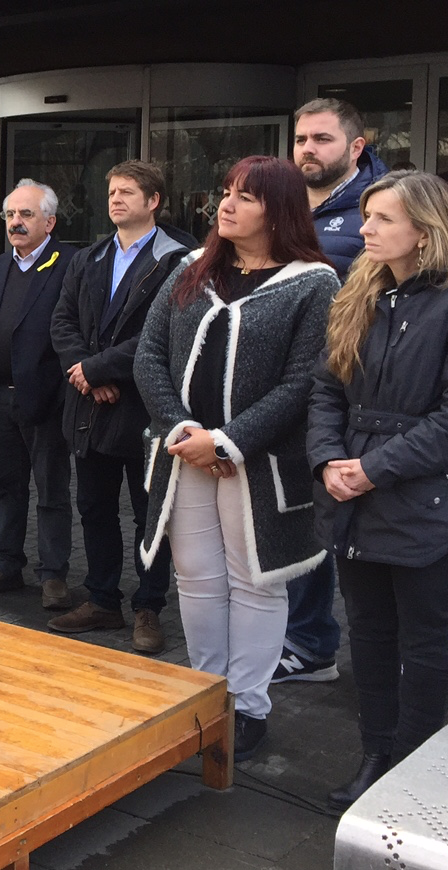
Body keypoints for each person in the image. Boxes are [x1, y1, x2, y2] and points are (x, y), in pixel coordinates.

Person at [135, 155, 339, 762]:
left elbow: (304, 383)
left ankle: (247, 707)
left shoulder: (313, 283)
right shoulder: (190, 268)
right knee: (196, 577)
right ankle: (204, 694)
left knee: (255, 581)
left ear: (279, 211)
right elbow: (149, 355)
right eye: (226, 192)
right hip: (184, 454)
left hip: (260, 463)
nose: (225, 204)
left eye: (245, 197)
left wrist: (226, 442)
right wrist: (184, 431)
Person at [309, 170, 448, 810]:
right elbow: (326, 389)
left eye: (382, 218)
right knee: (367, 634)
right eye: (366, 216)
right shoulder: (359, 294)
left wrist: (372, 468)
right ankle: (375, 756)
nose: (364, 229)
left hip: (422, 502)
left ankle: (416, 773)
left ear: (425, 230)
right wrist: (326, 461)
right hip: (353, 499)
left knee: (427, 643)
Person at [48, 160, 186, 654]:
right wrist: (87, 374)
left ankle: (149, 607)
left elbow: (163, 334)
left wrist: (99, 370)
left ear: (153, 201)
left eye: (127, 192)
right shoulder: (90, 257)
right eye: (111, 192)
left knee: (150, 515)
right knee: (94, 507)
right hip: (91, 406)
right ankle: (103, 599)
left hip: (146, 409)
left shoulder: (178, 260)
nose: (116, 199)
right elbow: (62, 321)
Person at [275, 97, 390, 685]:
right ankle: (302, 640)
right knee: (294, 519)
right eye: (301, 139)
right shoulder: (284, 202)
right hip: (286, 389)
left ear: (356, 146)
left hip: (352, 395)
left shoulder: (379, 208)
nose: (308, 150)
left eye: (322, 139)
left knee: (343, 522)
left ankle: (324, 642)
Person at [0, 180, 76, 609]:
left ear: (49, 221)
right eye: (10, 214)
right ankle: (6, 564)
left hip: (46, 401)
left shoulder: (70, 265)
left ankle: (53, 575)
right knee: (5, 488)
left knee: (52, 491)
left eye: (26, 214)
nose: (16, 222)